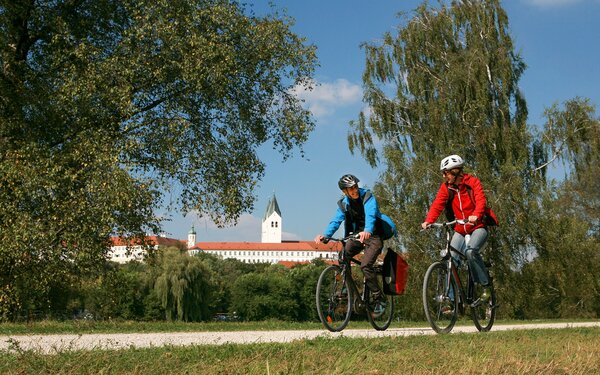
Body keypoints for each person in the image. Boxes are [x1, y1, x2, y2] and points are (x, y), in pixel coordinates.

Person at [314, 174, 396, 316]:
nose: (355, 190)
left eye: (355, 186)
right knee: (343, 255)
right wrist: (325, 235)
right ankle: (347, 287)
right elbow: (336, 221)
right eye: (351, 188)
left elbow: (370, 215)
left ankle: (379, 298)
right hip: (356, 235)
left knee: (365, 266)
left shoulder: (368, 197)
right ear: (344, 191)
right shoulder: (343, 204)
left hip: (374, 236)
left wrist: (368, 231)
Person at [421, 155, 492, 303]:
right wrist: (428, 221)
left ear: (455, 172)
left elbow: (481, 201)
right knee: (450, 259)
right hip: (460, 228)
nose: (444, 176)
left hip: (478, 226)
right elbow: (437, 204)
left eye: (445, 173)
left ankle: (486, 287)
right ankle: (452, 300)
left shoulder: (472, 182)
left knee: (471, 251)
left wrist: (475, 215)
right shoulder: (447, 187)